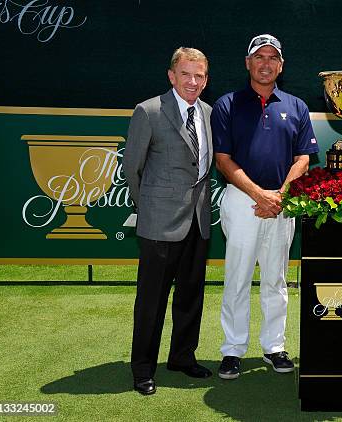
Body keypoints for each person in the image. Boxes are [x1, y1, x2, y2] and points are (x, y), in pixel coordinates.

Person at [211, 34, 319, 380]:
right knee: (237, 277)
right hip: (243, 200)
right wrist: (259, 194)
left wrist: (281, 195)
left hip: (282, 202)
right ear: (248, 63)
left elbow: (303, 157)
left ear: (281, 66)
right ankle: (232, 350)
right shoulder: (228, 104)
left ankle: (274, 347)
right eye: (260, 57)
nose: (266, 63)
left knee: (276, 279)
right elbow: (223, 160)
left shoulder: (297, 106)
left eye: (273, 58)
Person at [123, 47, 213, 395]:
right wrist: (149, 207)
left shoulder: (207, 112)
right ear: (172, 75)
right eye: (186, 74)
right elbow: (133, 168)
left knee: (190, 296)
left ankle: (182, 357)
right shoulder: (149, 111)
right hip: (159, 223)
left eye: (200, 75)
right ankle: (142, 368)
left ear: (206, 80)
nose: (193, 81)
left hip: (198, 221)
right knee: (152, 300)